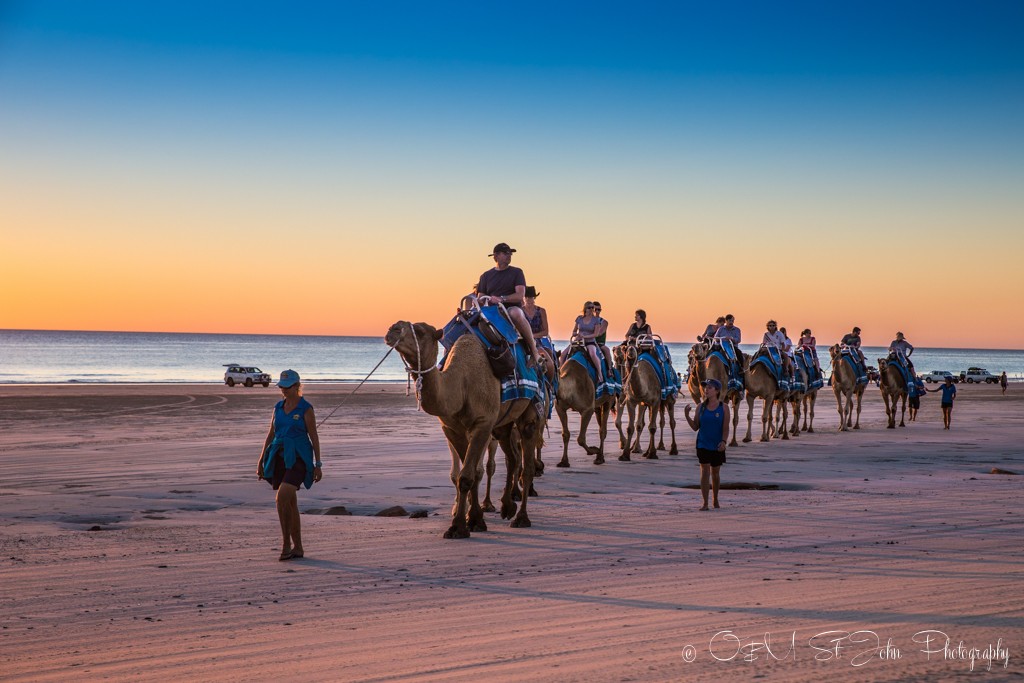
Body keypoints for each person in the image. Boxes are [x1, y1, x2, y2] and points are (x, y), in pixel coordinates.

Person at [257, 370, 322, 561]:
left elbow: (314, 436)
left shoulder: (306, 408)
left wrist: (318, 464)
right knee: (290, 504)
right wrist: (261, 459)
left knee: (282, 496)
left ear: (297, 386)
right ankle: (298, 547)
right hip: (279, 456)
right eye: (281, 387)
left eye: (287, 387)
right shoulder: (278, 407)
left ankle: (286, 544)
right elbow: (270, 434)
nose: (283, 390)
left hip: (299, 457)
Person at [475, 243, 541, 364]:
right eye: (506, 253)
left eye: (510, 253)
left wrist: (501, 299)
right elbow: (480, 296)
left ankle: (534, 351)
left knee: (515, 313)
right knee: (467, 320)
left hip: (510, 308)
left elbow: (520, 295)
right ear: (496, 256)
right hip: (491, 311)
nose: (509, 255)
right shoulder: (485, 276)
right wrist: (486, 299)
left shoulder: (517, 272)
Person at [683, 378, 730, 511]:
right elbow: (695, 427)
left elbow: (725, 428)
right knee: (704, 471)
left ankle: (715, 499)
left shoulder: (724, 407)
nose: (706, 390)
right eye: (705, 387)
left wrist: (724, 441)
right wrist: (687, 416)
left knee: (715, 473)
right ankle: (705, 503)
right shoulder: (700, 407)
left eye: (709, 387)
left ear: (717, 391)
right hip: (703, 444)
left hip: (717, 445)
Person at [561, 302, 606, 382]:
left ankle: (600, 374)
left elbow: (595, 334)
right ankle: (560, 372)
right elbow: (574, 331)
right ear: (585, 309)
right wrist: (575, 334)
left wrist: (585, 336)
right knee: (563, 353)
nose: (592, 309)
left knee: (592, 354)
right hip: (578, 340)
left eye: (593, 308)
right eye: (590, 307)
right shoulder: (579, 319)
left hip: (590, 341)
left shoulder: (596, 320)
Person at [521, 285, 553, 364]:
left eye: (531, 297)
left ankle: (551, 374)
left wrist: (532, 336)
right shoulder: (520, 311)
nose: (528, 299)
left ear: (534, 298)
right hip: (522, 340)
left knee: (547, 357)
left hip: (537, 340)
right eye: (526, 297)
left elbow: (545, 331)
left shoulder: (541, 311)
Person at [592, 301, 614, 372]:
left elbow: (600, 332)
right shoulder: (586, 321)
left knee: (606, 350)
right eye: (595, 309)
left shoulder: (604, 322)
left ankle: (609, 369)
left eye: (599, 310)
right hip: (586, 342)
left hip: (599, 343)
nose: (597, 311)